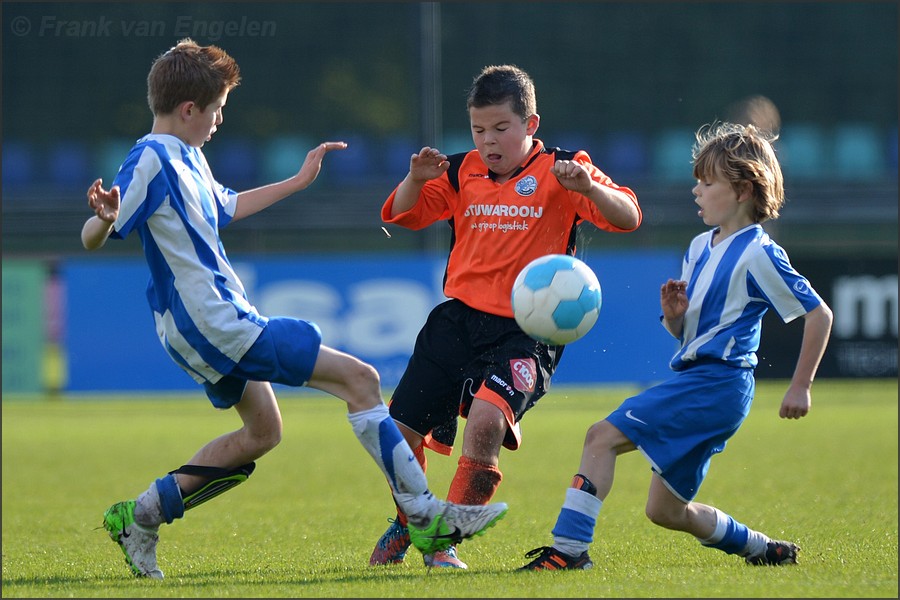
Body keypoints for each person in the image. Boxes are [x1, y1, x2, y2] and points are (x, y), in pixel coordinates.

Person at [81, 38, 507, 580]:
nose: (217, 122)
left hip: (200, 326)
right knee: (361, 379)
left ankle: (140, 516)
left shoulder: (186, 155)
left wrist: (298, 181)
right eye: (216, 112)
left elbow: (227, 207)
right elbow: (98, 231)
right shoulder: (150, 157)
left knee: (263, 432)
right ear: (189, 109)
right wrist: (102, 217)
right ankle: (424, 516)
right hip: (215, 323)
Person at [517, 121, 833, 571]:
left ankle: (568, 551)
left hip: (716, 384)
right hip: (701, 381)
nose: (696, 191)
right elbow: (688, 338)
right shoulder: (701, 246)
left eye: (707, 183)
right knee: (664, 512)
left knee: (600, 437)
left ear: (742, 190)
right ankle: (761, 548)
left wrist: (800, 386)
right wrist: (676, 317)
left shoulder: (759, 253)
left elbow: (819, 314)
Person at [369, 64, 642, 569]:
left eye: (501, 128)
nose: (488, 141)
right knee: (399, 436)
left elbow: (628, 215)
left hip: (526, 331)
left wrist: (588, 188)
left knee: (487, 422)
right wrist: (414, 178)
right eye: (478, 130)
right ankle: (411, 520)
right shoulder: (458, 170)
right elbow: (401, 215)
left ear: (530, 124)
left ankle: (443, 540)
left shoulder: (564, 169)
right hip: (456, 320)